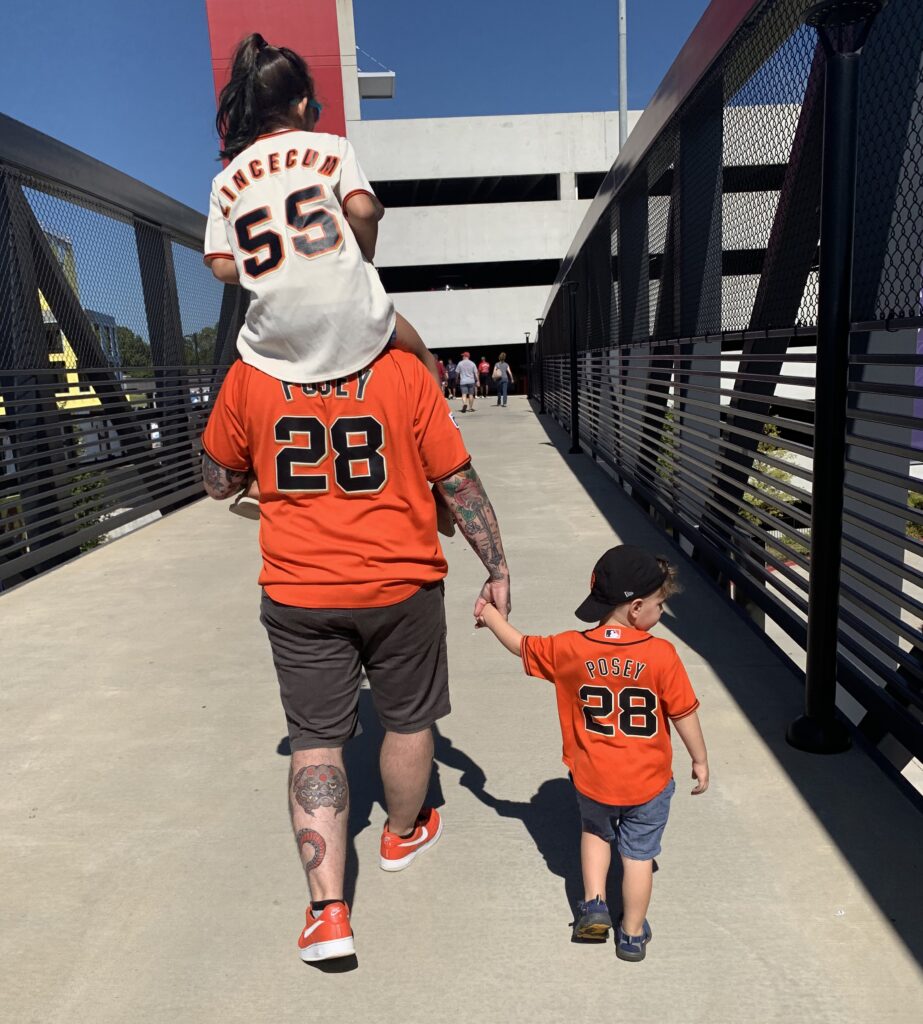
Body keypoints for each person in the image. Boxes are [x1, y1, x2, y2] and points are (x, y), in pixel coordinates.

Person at [202, 348, 511, 963]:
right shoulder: (402, 371)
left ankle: (328, 913)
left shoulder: (251, 373)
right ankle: (400, 835)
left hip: (300, 591)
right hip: (403, 585)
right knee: (409, 720)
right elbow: (457, 482)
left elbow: (217, 483)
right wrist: (497, 566)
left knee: (315, 740)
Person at [477, 545, 708, 962]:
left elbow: (520, 645)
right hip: (648, 782)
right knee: (638, 857)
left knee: (596, 832)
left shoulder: (570, 648)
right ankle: (632, 934)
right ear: (635, 609)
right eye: (659, 605)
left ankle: (595, 904)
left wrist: (490, 615)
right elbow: (683, 714)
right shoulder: (661, 655)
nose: (661, 612)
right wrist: (700, 759)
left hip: (593, 778)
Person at [203, 33, 440, 389]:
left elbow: (221, 266)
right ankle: (443, 415)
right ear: (301, 106)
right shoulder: (332, 147)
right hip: (352, 318)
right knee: (422, 356)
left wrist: (275, 263)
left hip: (273, 338)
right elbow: (362, 210)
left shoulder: (224, 181)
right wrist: (365, 251)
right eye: (315, 108)